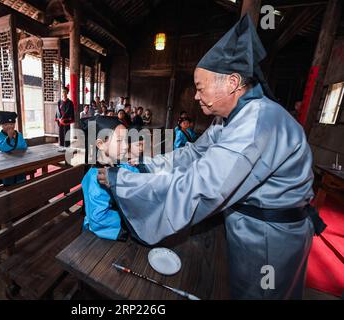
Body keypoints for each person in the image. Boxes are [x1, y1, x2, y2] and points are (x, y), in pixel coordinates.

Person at [97, 14, 325, 299]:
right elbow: (194, 154)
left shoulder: (257, 123)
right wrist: (144, 166)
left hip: (268, 239)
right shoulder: (230, 118)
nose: (194, 96)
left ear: (231, 82)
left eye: (200, 87)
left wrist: (123, 182)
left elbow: (201, 185)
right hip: (247, 228)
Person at [80, 116, 144, 241]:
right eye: (120, 141)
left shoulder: (121, 163)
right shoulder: (95, 178)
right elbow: (98, 219)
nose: (126, 146)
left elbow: (135, 178)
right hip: (104, 235)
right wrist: (132, 219)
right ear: (100, 144)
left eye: (126, 140)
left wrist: (140, 167)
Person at [0, 110, 28, 186]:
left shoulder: (18, 134)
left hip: (19, 160)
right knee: (8, 179)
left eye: (11, 124)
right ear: (1, 125)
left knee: (21, 179)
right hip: (6, 162)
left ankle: (21, 188)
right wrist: (9, 138)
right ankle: (9, 190)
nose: (9, 126)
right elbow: (3, 148)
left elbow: (24, 146)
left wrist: (15, 138)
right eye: (6, 125)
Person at [55, 86, 74, 151]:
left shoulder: (70, 102)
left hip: (66, 121)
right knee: (61, 135)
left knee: (67, 134)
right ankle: (61, 147)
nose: (63, 93)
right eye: (62, 92)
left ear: (67, 93)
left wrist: (63, 118)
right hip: (60, 121)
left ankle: (67, 148)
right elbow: (57, 111)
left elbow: (69, 111)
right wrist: (59, 119)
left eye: (65, 92)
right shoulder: (59, 102)